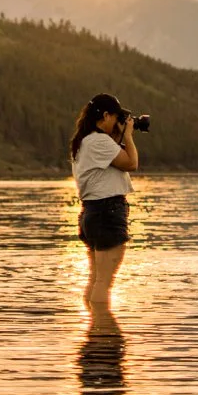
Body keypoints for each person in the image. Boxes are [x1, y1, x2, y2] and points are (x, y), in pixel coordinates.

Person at [70, 93, 139, 307]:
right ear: (106, 115)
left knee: (96, 280)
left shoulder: (84, 141)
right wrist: (128, 136)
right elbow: (131, 163)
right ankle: (102, 333)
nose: (117, 122)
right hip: (107, 213)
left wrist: (119, 136)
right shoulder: (98, 141)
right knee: (104, 282)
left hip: (93, 213)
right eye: (116, 117)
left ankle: (96, 332)